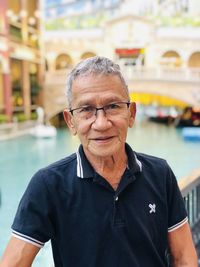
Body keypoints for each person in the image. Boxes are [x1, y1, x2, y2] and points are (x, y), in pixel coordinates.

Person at [0, 56, 198, 267]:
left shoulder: (160, 173)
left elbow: (184, 256)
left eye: (113, 106)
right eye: (86, 110)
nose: (101, 123)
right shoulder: (48, 185)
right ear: (70, 121)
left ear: (131, 114)